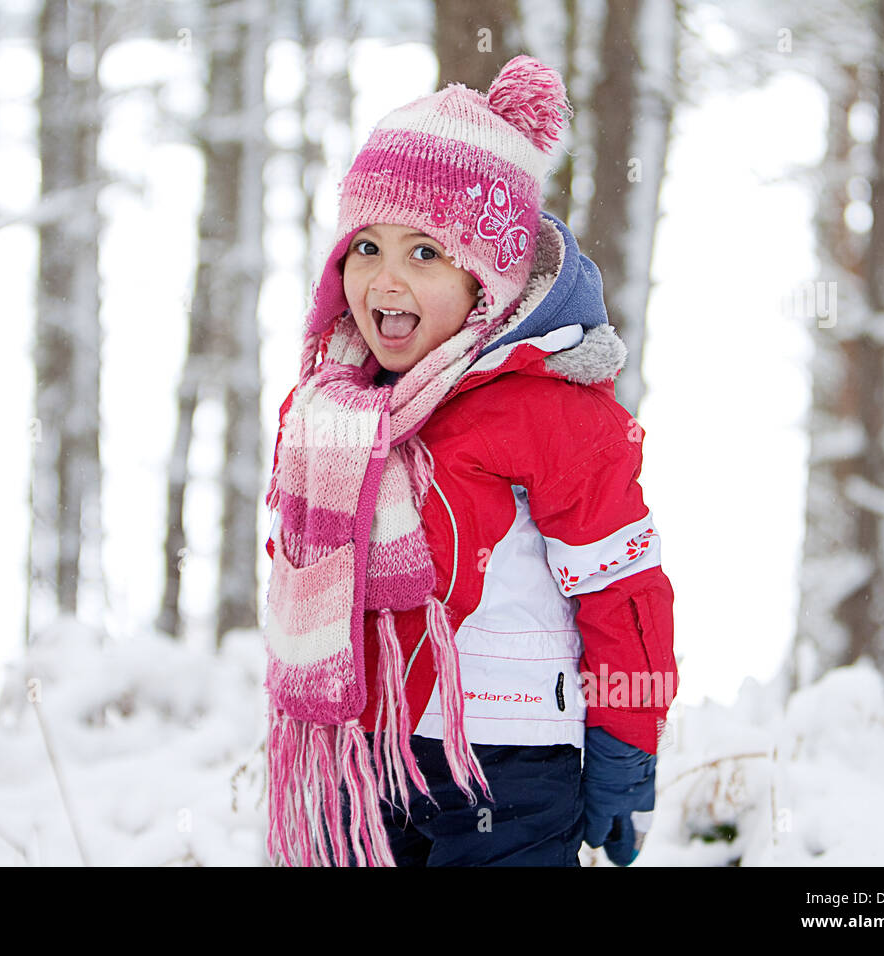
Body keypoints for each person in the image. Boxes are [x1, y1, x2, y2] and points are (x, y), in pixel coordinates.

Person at [261, 55, 677, 867]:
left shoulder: (552, 412)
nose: (385, 278)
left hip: (508, 767)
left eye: (426, 253)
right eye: (366, 246)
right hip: (365, 752)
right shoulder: (330, 412)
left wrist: (627, 746)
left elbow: (622, 591)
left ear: (488, 278)